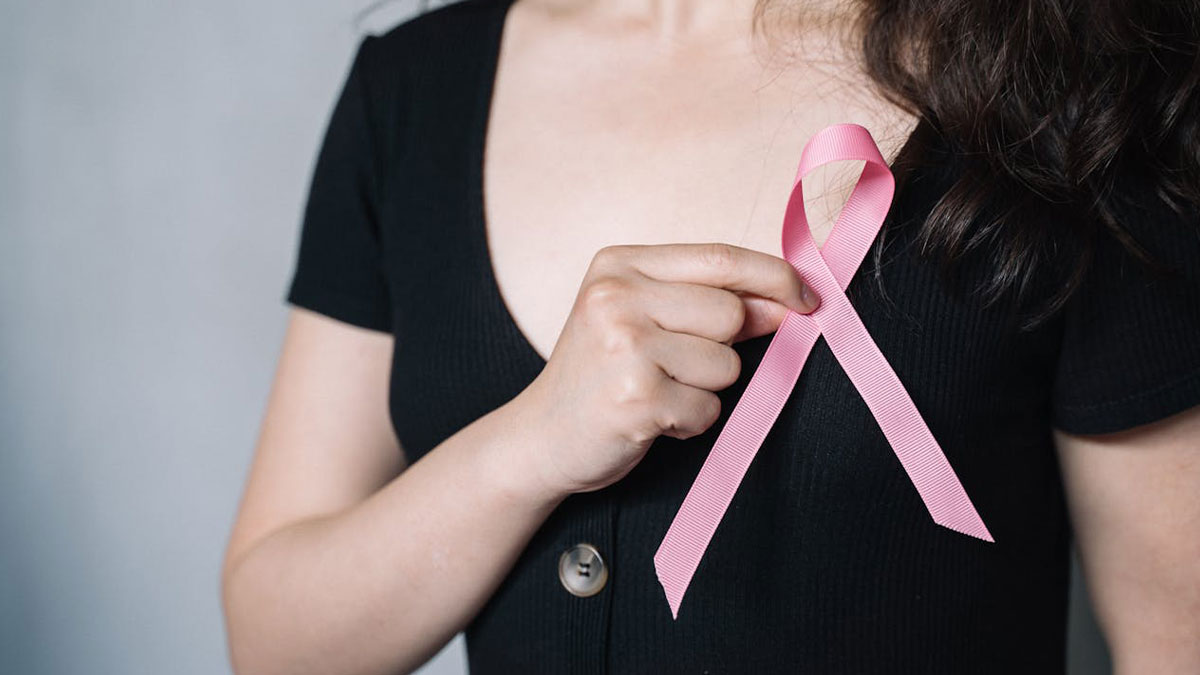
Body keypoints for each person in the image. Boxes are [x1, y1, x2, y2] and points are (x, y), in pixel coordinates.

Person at [220, 0, 1200, 672]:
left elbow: (1175, 640)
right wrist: (527, 447)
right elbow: (276, 638)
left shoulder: (1082, 86)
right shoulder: (410, 92)